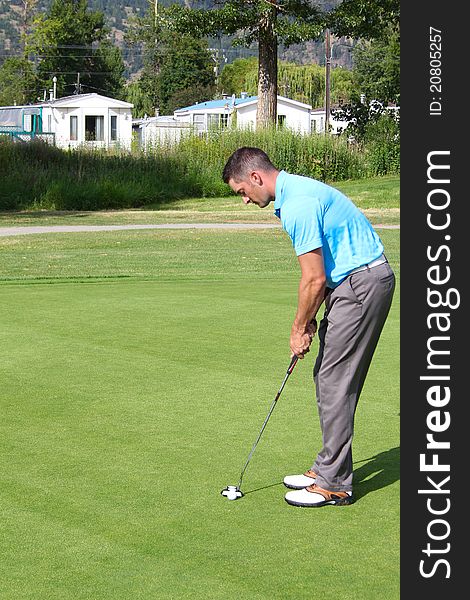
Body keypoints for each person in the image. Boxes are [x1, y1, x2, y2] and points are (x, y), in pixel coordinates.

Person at [222, 147, 395, 508]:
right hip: (353, 282)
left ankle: (335, 484)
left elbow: (313, 279)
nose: (244, 201)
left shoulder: (298, 204)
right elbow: (323, 274)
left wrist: (299, 328)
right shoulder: (297, 192)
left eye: (241, 192)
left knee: (335, 380)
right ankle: (328, 466)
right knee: (328, 376)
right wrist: (313, 316)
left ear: (255, 177)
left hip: (360, 284)